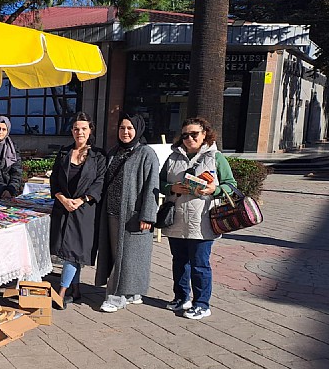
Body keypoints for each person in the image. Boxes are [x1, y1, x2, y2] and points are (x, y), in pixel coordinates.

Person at [160, 116, 237, 320]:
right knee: (179, 262)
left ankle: (202, 303)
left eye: (194, 134)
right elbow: (159, 182)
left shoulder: (215, 157)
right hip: (176, 219)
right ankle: (181, 297)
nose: (189, 138)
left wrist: (215, 189)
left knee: (200, 264)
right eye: (185, 135)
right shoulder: (173, 158)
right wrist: (171, 188)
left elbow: (231, 185)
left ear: (205, 135)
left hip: (202, 221)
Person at [94, 113, 159, 313]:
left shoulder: (146, 153)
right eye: (122, 128)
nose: (125, 132)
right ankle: (131, 292)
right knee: (118, 256)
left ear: (138, 129)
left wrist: (148, 215)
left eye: (130, 128)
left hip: (133, 214)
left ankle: (116, 297)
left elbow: (152, 185)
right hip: (112, 213)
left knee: (128, 257)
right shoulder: (114, 151)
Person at [49, 112, 106, 309]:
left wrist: (81, 200)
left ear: (90, 131)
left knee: (74, 251)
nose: (79, 132)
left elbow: (100, 182)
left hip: (85, 210)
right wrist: (62, 198)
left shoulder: (98, 156)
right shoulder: (64, 153)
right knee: (69, 251)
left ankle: (62, 292)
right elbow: (54, 179)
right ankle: (76, 289)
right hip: (63, 207)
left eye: (83, 128)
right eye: (76, 128)